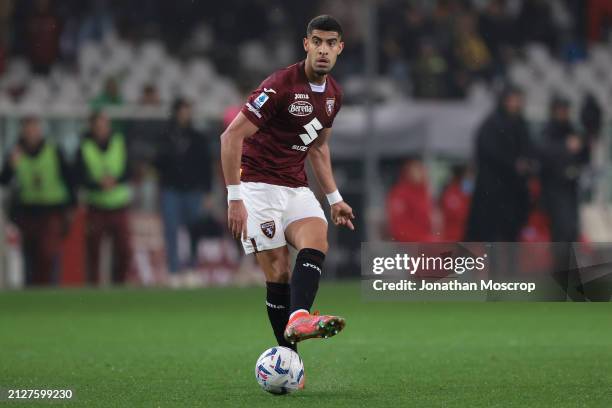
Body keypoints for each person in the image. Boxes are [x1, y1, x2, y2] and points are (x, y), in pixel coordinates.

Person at [220, 15, 353, 359]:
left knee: (317, 238)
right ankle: (288, 357)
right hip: (256, 186)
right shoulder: (279, 85)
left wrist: (335, 198)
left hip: (295, 186)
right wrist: (234, 198)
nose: (323, 50)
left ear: (340, 48)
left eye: (330, 43)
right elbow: (231, 136)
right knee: (278, 271)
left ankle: (298, 318)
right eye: (317, 42)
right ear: (306, 44)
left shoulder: (334, 95)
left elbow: (319, 147)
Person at [0, 116, 74, 285]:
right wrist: (11, 165)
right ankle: (30, 288)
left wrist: (71, 206)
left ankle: (51, 287)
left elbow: (69, 179)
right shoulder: (16, 153)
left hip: (51, 209)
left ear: (40, 130)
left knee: (49, 253)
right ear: (23, 130)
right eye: (28, 128)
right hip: (28, 211)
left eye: (34, 128)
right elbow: (4, 180)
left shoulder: (53, 150)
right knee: (29, 253)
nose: (31, 132)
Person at [465, 86, 531, 242]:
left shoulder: (520, 124)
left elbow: (529, 149)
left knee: (511, 235)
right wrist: (513, 164)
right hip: (492, 191)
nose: (515, 104)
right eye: (512, 100)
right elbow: (489, 152)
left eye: (518, 100)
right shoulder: (492, 124)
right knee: (490, 235)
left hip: (514, 192)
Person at [155, 98, 212, 274]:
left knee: (194, 229)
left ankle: (192, 266)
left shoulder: (198, 137)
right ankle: (173, 269)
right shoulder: (165, 136)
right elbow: (157, 162)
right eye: (183, 109)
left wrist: (208, 191)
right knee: (171, 229)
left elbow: (206, 165)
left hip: (193, 190)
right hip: (171, 189)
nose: (186, 113)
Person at [75, 111, 132, 284]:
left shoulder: (119, 142)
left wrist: (116, 181)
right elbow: (78, 176)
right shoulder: (84, 147)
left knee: (123, 249)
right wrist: (98, 184)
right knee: (93, 249)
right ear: (92, 127)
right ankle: (93, 286)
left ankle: (119, 284)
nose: (102, 129)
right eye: (98, 125)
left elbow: (130, 169)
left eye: (104, 125)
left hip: (118, 203)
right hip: (96, 204)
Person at [386, 159, 434, 242]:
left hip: (424, 239)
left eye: (420, 169)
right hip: (408, 242)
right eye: (416, 170)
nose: (420, 173)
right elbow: (398, 227)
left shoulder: (423, 191)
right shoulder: (399, 193)